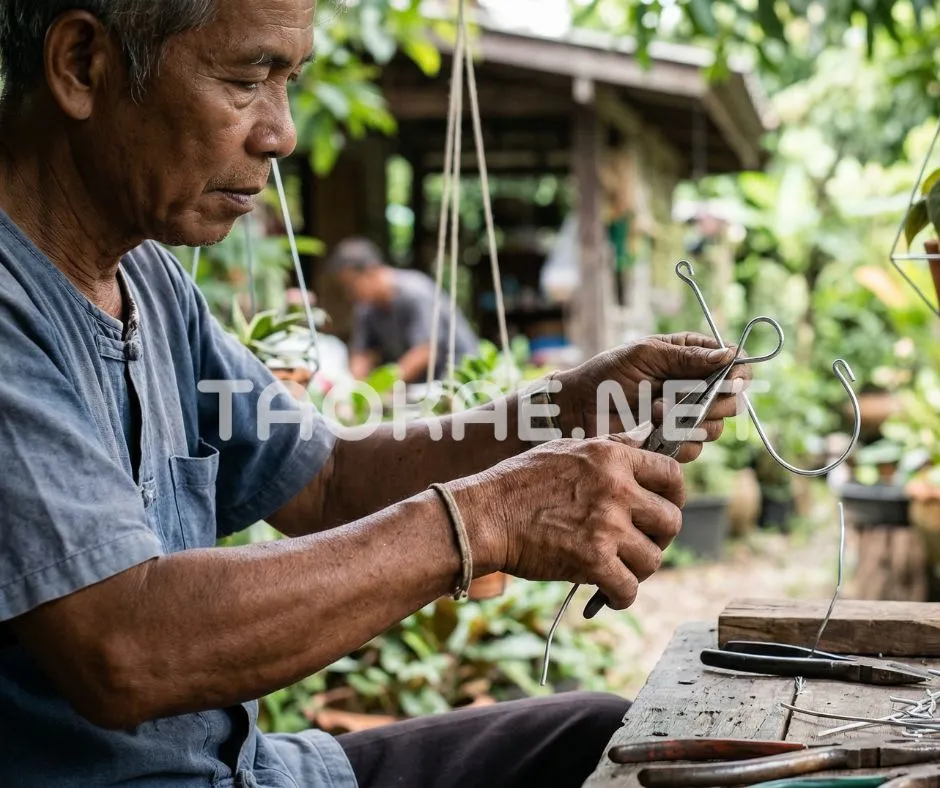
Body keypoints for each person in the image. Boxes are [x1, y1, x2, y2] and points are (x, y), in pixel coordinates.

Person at [0, 2, 748, 787]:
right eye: (247, 79)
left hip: (253, 772)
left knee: (596, 736)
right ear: (83, 64)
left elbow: (327, 482)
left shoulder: (150, 288)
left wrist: (567, 407)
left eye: (287, 83)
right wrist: (485, 520)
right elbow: (124, 648)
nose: (280, 133)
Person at [329, 236, 480, 383]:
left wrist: (383, 385)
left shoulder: (416, 292)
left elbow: (426, 351)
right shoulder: (366, 308)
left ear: (371, 271)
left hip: (458, 378)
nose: (349, 295)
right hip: (417, 386)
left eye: (351, 286)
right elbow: (362, 355)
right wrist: (356, 390)